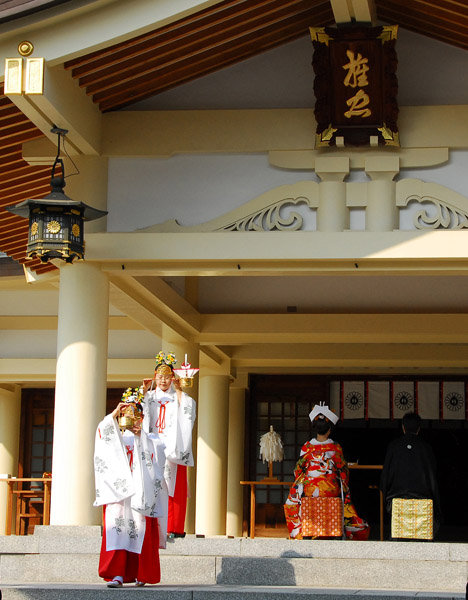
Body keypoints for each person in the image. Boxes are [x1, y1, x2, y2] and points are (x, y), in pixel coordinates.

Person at [94, 389, 168, 588]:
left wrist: (141, 437)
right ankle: (117, 574)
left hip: (140, 492)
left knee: (140, 529)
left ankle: (142, 573)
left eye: (135, 415)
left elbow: (158, 460)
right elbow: (103, 434)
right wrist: (112, 415)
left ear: (142, 417)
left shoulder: (152, 439)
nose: (131, 419)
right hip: (120, 494)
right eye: (127, 415)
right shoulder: (115, 437)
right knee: (117, 530)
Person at [284, 403, 369, 540]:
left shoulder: (307, 447)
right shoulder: (335, 448)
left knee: (294, 498)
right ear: (330, 430)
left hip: (310, 492)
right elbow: (343, 471)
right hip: (332, 491)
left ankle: (303, 531)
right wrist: (343, 485)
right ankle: (335, 531)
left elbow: (298, 471)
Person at [142, 351, 196, 539]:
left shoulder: (180, 398)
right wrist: (143, 394)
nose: (163, 381)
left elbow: (189, 408)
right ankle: (152, 525)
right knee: (152, 485)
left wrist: (180, 390)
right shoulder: (149, 398)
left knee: (175, 488)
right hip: (154, 447)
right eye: (160, 377)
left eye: (167, 377)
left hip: (173, 448)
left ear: (172, 378)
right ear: (155, 377)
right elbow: (142, 420)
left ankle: (174, 527)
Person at [380, 411, 441, 536]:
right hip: (422, 497)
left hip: (397, 497)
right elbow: (432, 476)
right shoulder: (426, 448)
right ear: (419, 428)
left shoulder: (394, 446)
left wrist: (387, 496)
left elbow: (386, 476)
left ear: (403, 427)